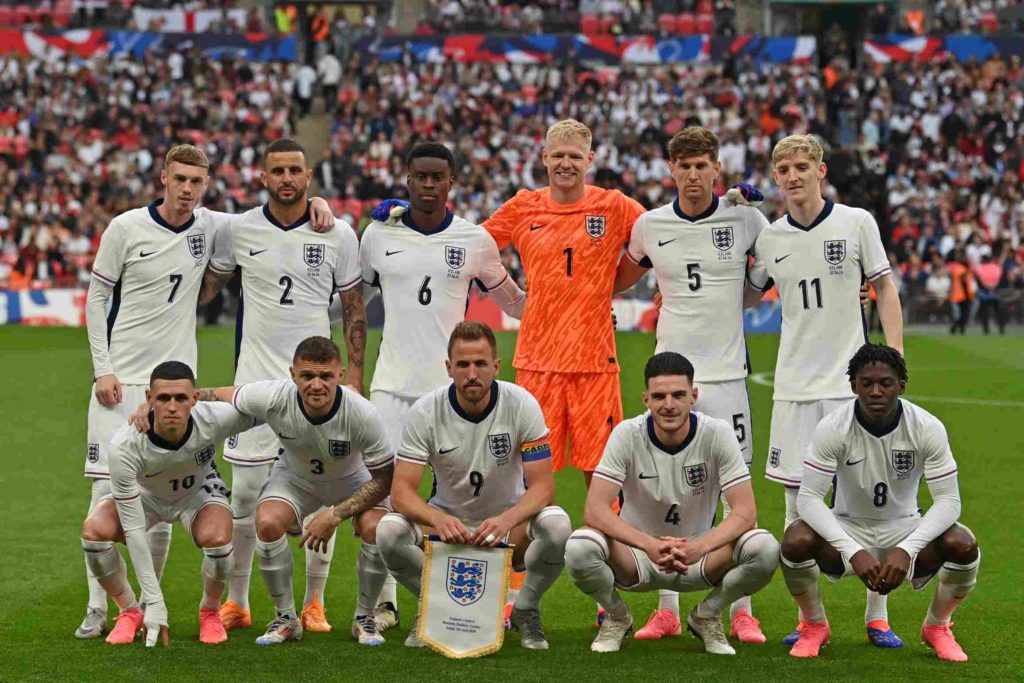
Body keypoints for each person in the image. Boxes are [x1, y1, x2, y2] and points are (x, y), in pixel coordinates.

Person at [78, 143, 334, 639]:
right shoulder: (126, 227)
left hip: (177, 387)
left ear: (205, 183)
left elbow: (280, 209)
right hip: (122, 382)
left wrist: (318, 204)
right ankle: (100, 607)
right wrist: (102, 368)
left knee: (166, 489)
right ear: (163, 177)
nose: (187, 189)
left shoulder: (213, 225)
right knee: (105, 491)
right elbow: (97, 296)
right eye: (179, 180)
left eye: (196, 182)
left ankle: (160, 607)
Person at [201, 137, 366, 635]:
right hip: (253, 386)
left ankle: (314, 601)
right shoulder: (239, 229)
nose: (287, 178)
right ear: (263, 177)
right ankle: (237, 600)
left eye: (296, 170)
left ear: (309, 176)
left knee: (325, 489)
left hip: (318, 390)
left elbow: (355, 308)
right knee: (247, 500)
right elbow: (208, 280)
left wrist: (354, 378)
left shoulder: (337, 233)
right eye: (278, 170)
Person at [612, 126, 770, 643]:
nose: (694, 174)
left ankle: (740, 608)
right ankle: (667, 609)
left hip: (726, 376)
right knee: (663, 486)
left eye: (703, 165)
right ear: (671, 171)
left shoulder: (746, 217)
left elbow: (766, 281)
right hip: (670, 374)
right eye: (685, 166)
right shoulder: (650, 225)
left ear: (717, 169)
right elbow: (614, 280)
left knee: (732, 492)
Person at [359, 140, 527, 629]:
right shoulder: (377, 234)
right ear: (407, 178)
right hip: (391, 386)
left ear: (452, 181)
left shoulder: (474, 239)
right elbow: (353, 299)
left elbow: (514, 303)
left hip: (454, 395)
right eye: (420, 176)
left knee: (464, 498)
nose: (429, 185)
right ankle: (385, 604)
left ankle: (484, 597)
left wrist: (566, 302)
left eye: (438, 177)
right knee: (386, 499)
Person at [746, 134, 905, 646]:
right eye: (784, 169)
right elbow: (745, 293)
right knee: (796, 511)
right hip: (793, 389)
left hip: (847, 389)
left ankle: (876, 616)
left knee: (869, 509)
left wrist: (894, 357)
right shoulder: (770, 237)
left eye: (802, 166)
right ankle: (811, 619)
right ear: (775, 177)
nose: (793, 176)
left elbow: (884, 288)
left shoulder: (856, 222)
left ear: (820, 170)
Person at [158, 336, 394, 646]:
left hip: (352, 479)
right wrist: (165, 405)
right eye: (307, 376)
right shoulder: (274, 396)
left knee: (377, 528)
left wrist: (335, 516)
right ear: (293, 374)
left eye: (325, 376)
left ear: (341, 374)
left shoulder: (362, 413)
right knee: (267, 522)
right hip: (296, 478)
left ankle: (364, 618)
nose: (316, 385)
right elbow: (221, 395)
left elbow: (383, 480)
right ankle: (286, 618)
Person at [563, 352, 779, 654]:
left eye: (678, 395)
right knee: (579, 546)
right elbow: (594, 509)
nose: (669, 405)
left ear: (694, 396)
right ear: (646, 399)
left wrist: (700, 547)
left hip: (700, 556)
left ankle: (707, 614)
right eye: (659, 396)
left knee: (765, 547)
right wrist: (647, 544)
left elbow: (745, 512)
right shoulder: (626, 434)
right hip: (636, 557)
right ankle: (616, 615)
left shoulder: (717, 433)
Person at [377, 322, 572, 650]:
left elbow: (542, 488)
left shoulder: (521, 404)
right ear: (448, 367)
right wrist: (438, 520)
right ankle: (433, 608)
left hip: (508, 530)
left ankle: (525, 609)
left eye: (481, 364)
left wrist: (506, 520)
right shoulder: (425, 411)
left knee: (558, 526)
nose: (472, 373)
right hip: (445, 529)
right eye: (463, 364)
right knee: (387, 531)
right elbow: (401, 493)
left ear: (496, 366)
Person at [780, 344, 979, 661]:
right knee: (795, 540)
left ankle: (937, 626)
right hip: (848, 528)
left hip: (904, 528)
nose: (875, 391)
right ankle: (814, 625)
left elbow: (949, 501)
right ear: (853, 385)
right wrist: (853, 551)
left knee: (963, 544)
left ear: (901, 386)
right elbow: (808, 499)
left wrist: (908, 548)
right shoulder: (833, 428)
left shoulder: (927, 427)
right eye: (866, 383)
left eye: (885, 383)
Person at [81, 361, 258, 647]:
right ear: (149, 399)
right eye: (163, 398)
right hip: (146, 498)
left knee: (220, 541)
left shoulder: (215, 418)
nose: (172, 406)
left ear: (195, 399)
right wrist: (153, 601)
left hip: (197, 493)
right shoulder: (125, 445)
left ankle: (210, 611)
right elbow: (135, 530)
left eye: (181, 398)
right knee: (94, 532)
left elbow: (269, 404)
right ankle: (129, 611)